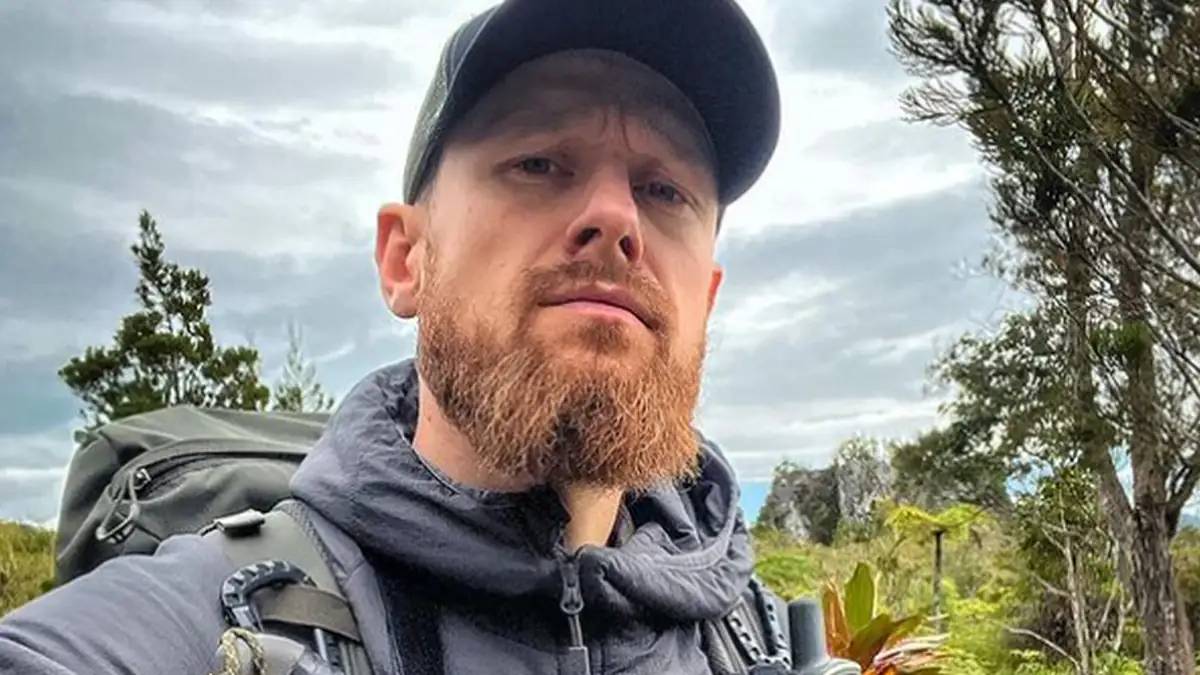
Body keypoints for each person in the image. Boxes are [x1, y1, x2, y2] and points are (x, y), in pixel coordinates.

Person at [0, 0, 782, 673]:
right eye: (539, 162)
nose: (615, 216)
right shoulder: (200, 621)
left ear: (705, 299)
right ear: (406, 258)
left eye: (664, 188)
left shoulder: (756, 634)